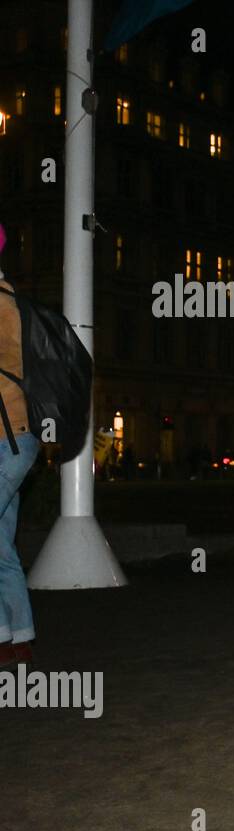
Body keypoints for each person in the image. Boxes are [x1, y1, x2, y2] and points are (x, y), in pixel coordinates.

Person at [0, 223, 40, 669]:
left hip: (11, 438)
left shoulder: (3, 304)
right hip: (11, 439)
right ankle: (16, 637)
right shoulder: (12, 300)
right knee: (1, 547)